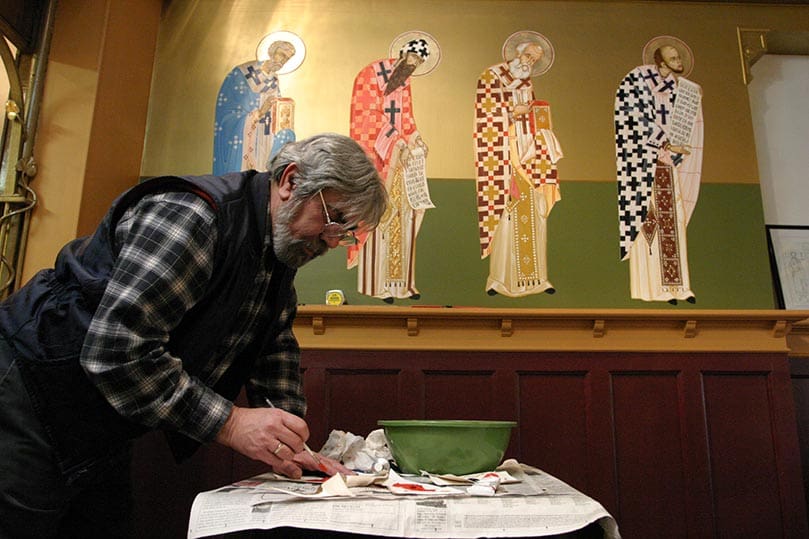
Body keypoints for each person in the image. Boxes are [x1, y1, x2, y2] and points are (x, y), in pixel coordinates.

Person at [0, 132, 388, 537]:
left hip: (102, 420)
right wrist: (233, 423)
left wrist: (290, 440)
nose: (331, 240)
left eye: (344, 232)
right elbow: (118, 352)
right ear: (291, 181)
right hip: (29, 392)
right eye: (334, 220)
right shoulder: (192, 216)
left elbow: (273, 345)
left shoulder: (279, 248)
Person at [348, 32, 439, 302]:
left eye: (417, 63)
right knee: (379, 218)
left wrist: (417, 140)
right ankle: (376, 286)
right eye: (411, 59)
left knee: (404, 219)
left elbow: (406, 118)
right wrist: (397, 142)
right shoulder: (371, 74)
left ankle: (401, 285)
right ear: (401, 53)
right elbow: (365, 116)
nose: (412, 66)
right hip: (378, 163)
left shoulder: (404, 81)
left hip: (401, 165)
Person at [474, 31, 563, 297]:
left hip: (528, 154)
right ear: (515, 54)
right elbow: (484, 113)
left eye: (534, 60)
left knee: (535, 213)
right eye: (527, 56)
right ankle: (499, 280)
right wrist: (511, 113)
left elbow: (531, 115)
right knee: (504, 214)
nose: (529, 63)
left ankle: (536, 279)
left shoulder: (526, 82)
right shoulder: (491, 76)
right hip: (500, 156)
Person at [614, 36, 703, 303]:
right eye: (673, 57)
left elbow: (685, 126)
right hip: (642, 165)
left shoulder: (681, 88)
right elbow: (631, 116)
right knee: (647, 221)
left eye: (679, 56)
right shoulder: (637, 80)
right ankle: (650, 288)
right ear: (660, 61)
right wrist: (663, 143)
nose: (679, 61)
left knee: (671, 222)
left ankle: (677, 286)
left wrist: (694, 102)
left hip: (668, 167)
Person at [213, 34, 301, 175]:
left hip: (265, 135)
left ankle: (272, 175)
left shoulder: (274, 80)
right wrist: (259, 113)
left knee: (287, 135)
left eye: (286, 58)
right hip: (245, 137)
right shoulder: (242, 73)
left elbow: (273, 110)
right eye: (281, 54)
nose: (282, 60)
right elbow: (228, 114)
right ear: (272, 51)